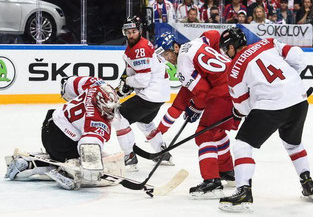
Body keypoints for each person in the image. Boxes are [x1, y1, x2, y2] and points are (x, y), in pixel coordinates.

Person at [218, 27, 313, 212]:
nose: (226, 53)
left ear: (232, 47)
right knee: (293, 144)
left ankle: (243, 192)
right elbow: (297, 56)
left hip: (272, 106)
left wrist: (239, 112)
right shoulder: (268, 42)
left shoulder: (234, 68)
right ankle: (307, 181)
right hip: (299, 100)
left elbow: (242, 107)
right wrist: (291, 84)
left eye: (226, 49)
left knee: (242, 145)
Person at [153, 30, 240, 199]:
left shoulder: (183, 68)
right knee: (217, 131)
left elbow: (202, 93)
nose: (167, 59)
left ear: (176, 48)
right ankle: (227, 171)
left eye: (167, 54)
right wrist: (215, 51)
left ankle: (212, 182)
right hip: (237, 84)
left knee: (204, 134)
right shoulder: (196, 43)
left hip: (223, 92)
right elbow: (214, 34)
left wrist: (195, 108)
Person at [5, 77, 124, 190]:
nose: (111, 112)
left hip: (49, 124)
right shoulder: (96, 121)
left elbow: (68, 84)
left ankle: (29, 161)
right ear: (99, 104)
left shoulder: (96, 84)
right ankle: (65, 171)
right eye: (108, 109)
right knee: (89, 160)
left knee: (88, 152)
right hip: (61, 143)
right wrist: (90, 169)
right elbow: (88, 148)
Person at [115, 16, 173, 170]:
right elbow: (135, 73)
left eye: (134, 31)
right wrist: (126, 81)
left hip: (150, 93)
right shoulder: (141, 45)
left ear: (139, 31)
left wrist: (127, 83)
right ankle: (163, 153)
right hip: (159, 94)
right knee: (145, 122)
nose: (131, 35)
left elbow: (142, 80)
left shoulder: (140, 49)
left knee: (119, 116)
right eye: (128, 32)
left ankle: (129, 157)